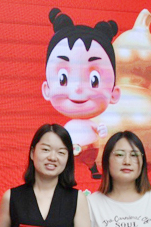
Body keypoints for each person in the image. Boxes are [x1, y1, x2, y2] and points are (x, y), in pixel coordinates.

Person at [42, 8, 120, 177]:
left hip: (91, 148)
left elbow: (101, 133)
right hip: (70, 150)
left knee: (91, 159)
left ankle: (93, 170)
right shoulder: (63, 128)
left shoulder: (93, 124)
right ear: (46, 89)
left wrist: (102, 131)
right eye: (63, 78)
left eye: (94, 80)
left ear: (114, 93)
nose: (77, 88)